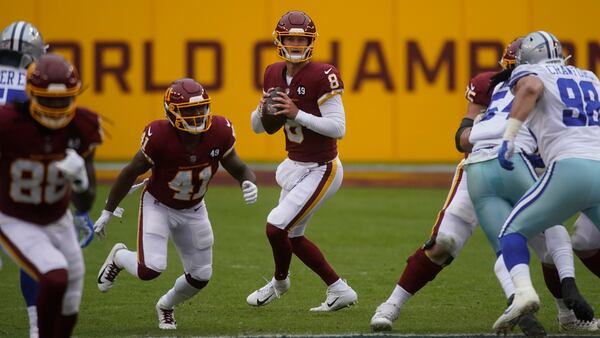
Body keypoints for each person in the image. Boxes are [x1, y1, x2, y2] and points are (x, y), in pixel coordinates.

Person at [370, 39, 597, 334]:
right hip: (492, 162)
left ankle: (563, 313)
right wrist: (496, 132)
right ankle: (391, 304)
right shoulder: (512, 86)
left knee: (541, 245)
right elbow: (461, 138)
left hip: (519, 166)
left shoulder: (546, 89)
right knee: (446, 242)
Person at [93, 78, 258, 330]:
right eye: (189, 111)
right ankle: (118, 257)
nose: (197, 115)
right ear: (171, 112)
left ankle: (166, 306)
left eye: (201, 108)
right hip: (158, 204)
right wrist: (108, 209)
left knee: (201, 276)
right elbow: (130, 172)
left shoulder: (220, 131)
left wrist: (248, 182)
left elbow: (238, 165)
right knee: (150, 269)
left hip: (194, 209)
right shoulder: (159, 136)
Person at [465, 37, 598, 332]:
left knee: (511, 230)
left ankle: (523, 293)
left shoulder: (532, 74)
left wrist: (510, 136)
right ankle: (563, 295)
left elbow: (531, 88)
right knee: (579, 239)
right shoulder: (589, 76)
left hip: (570, 167)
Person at [246, 10, 357, 312]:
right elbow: (258, 128)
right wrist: (262, 110)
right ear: (280, 40)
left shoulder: (323, 74)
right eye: (291, 38)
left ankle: (280, 282)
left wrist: (297, 114)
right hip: (294, 164)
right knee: (292, 237)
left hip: (322, 167)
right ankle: (339, 289)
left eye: (301, 38)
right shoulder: (271, 72)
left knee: (275, 227)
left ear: (310, 41)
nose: (296, 43)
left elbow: (339, 128)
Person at [0, 21, 96, 338]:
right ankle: (35, 326)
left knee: (69, 287)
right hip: (12, 206)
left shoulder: (81, 125)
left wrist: (81, 181)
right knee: (50, 271)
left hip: (48, 207)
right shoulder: (13, 117)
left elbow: (87, 189)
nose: (56, 108)